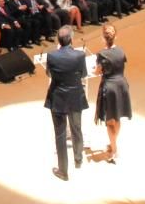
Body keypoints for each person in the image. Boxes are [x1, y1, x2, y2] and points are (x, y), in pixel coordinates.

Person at [44, 26, 87, 181]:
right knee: (77, 128)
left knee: (60, 134)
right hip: (75, 96)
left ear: (58, 40)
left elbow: (49, 73)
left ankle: (63, 171)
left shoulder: (52, 55)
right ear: (72, 39)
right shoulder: (80, 55)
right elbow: (83, 74)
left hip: (58, 98)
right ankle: (78, 159)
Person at [94, 24, 132, 163]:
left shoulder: (102, 54)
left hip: (109, 87)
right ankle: (113, 144)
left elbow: (97, 71)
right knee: (117, 117)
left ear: (103, 38)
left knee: (110, 121)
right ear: (116, 36)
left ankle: (114, 149)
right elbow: (120, 65)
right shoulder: (121, 51)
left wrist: (96, 70)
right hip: (121, 85)